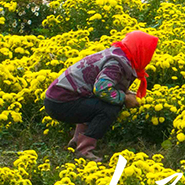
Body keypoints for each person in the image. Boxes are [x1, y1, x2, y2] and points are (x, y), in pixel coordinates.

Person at [44, 31, 158, 161]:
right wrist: (125, 98)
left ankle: (76, 140)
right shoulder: (117, 63)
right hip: (61, 103)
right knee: (110, 107)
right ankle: (84, 150)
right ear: (140, 50)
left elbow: (103, 84)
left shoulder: (118, 55)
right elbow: (101, 89)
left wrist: (126, 93)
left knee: (101, 101)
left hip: (56, 99)